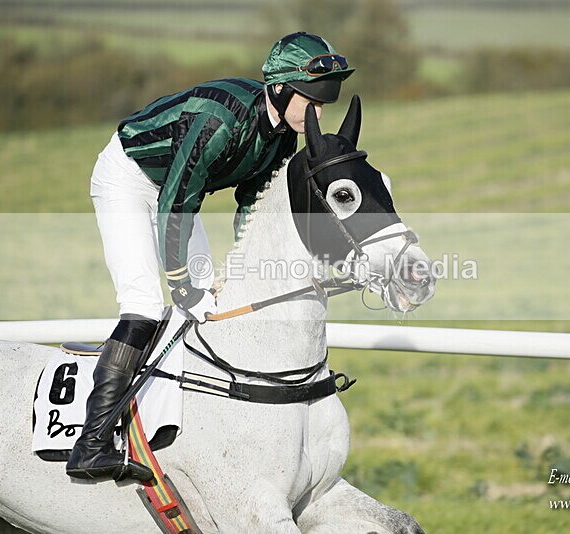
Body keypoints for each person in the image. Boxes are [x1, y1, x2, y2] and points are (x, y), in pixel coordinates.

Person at [66, 32, 354, 482]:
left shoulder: (282, 137)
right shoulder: (221, 120)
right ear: (279, 88)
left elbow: (252, 207)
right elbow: (175, 203)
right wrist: (183, 284)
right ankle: (92, 443)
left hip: (178, 192)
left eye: (324, 105)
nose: (318, 115)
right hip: (129, 178)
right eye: (312, 103)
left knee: (209, 306)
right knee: (143, 305)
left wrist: (239, 272)